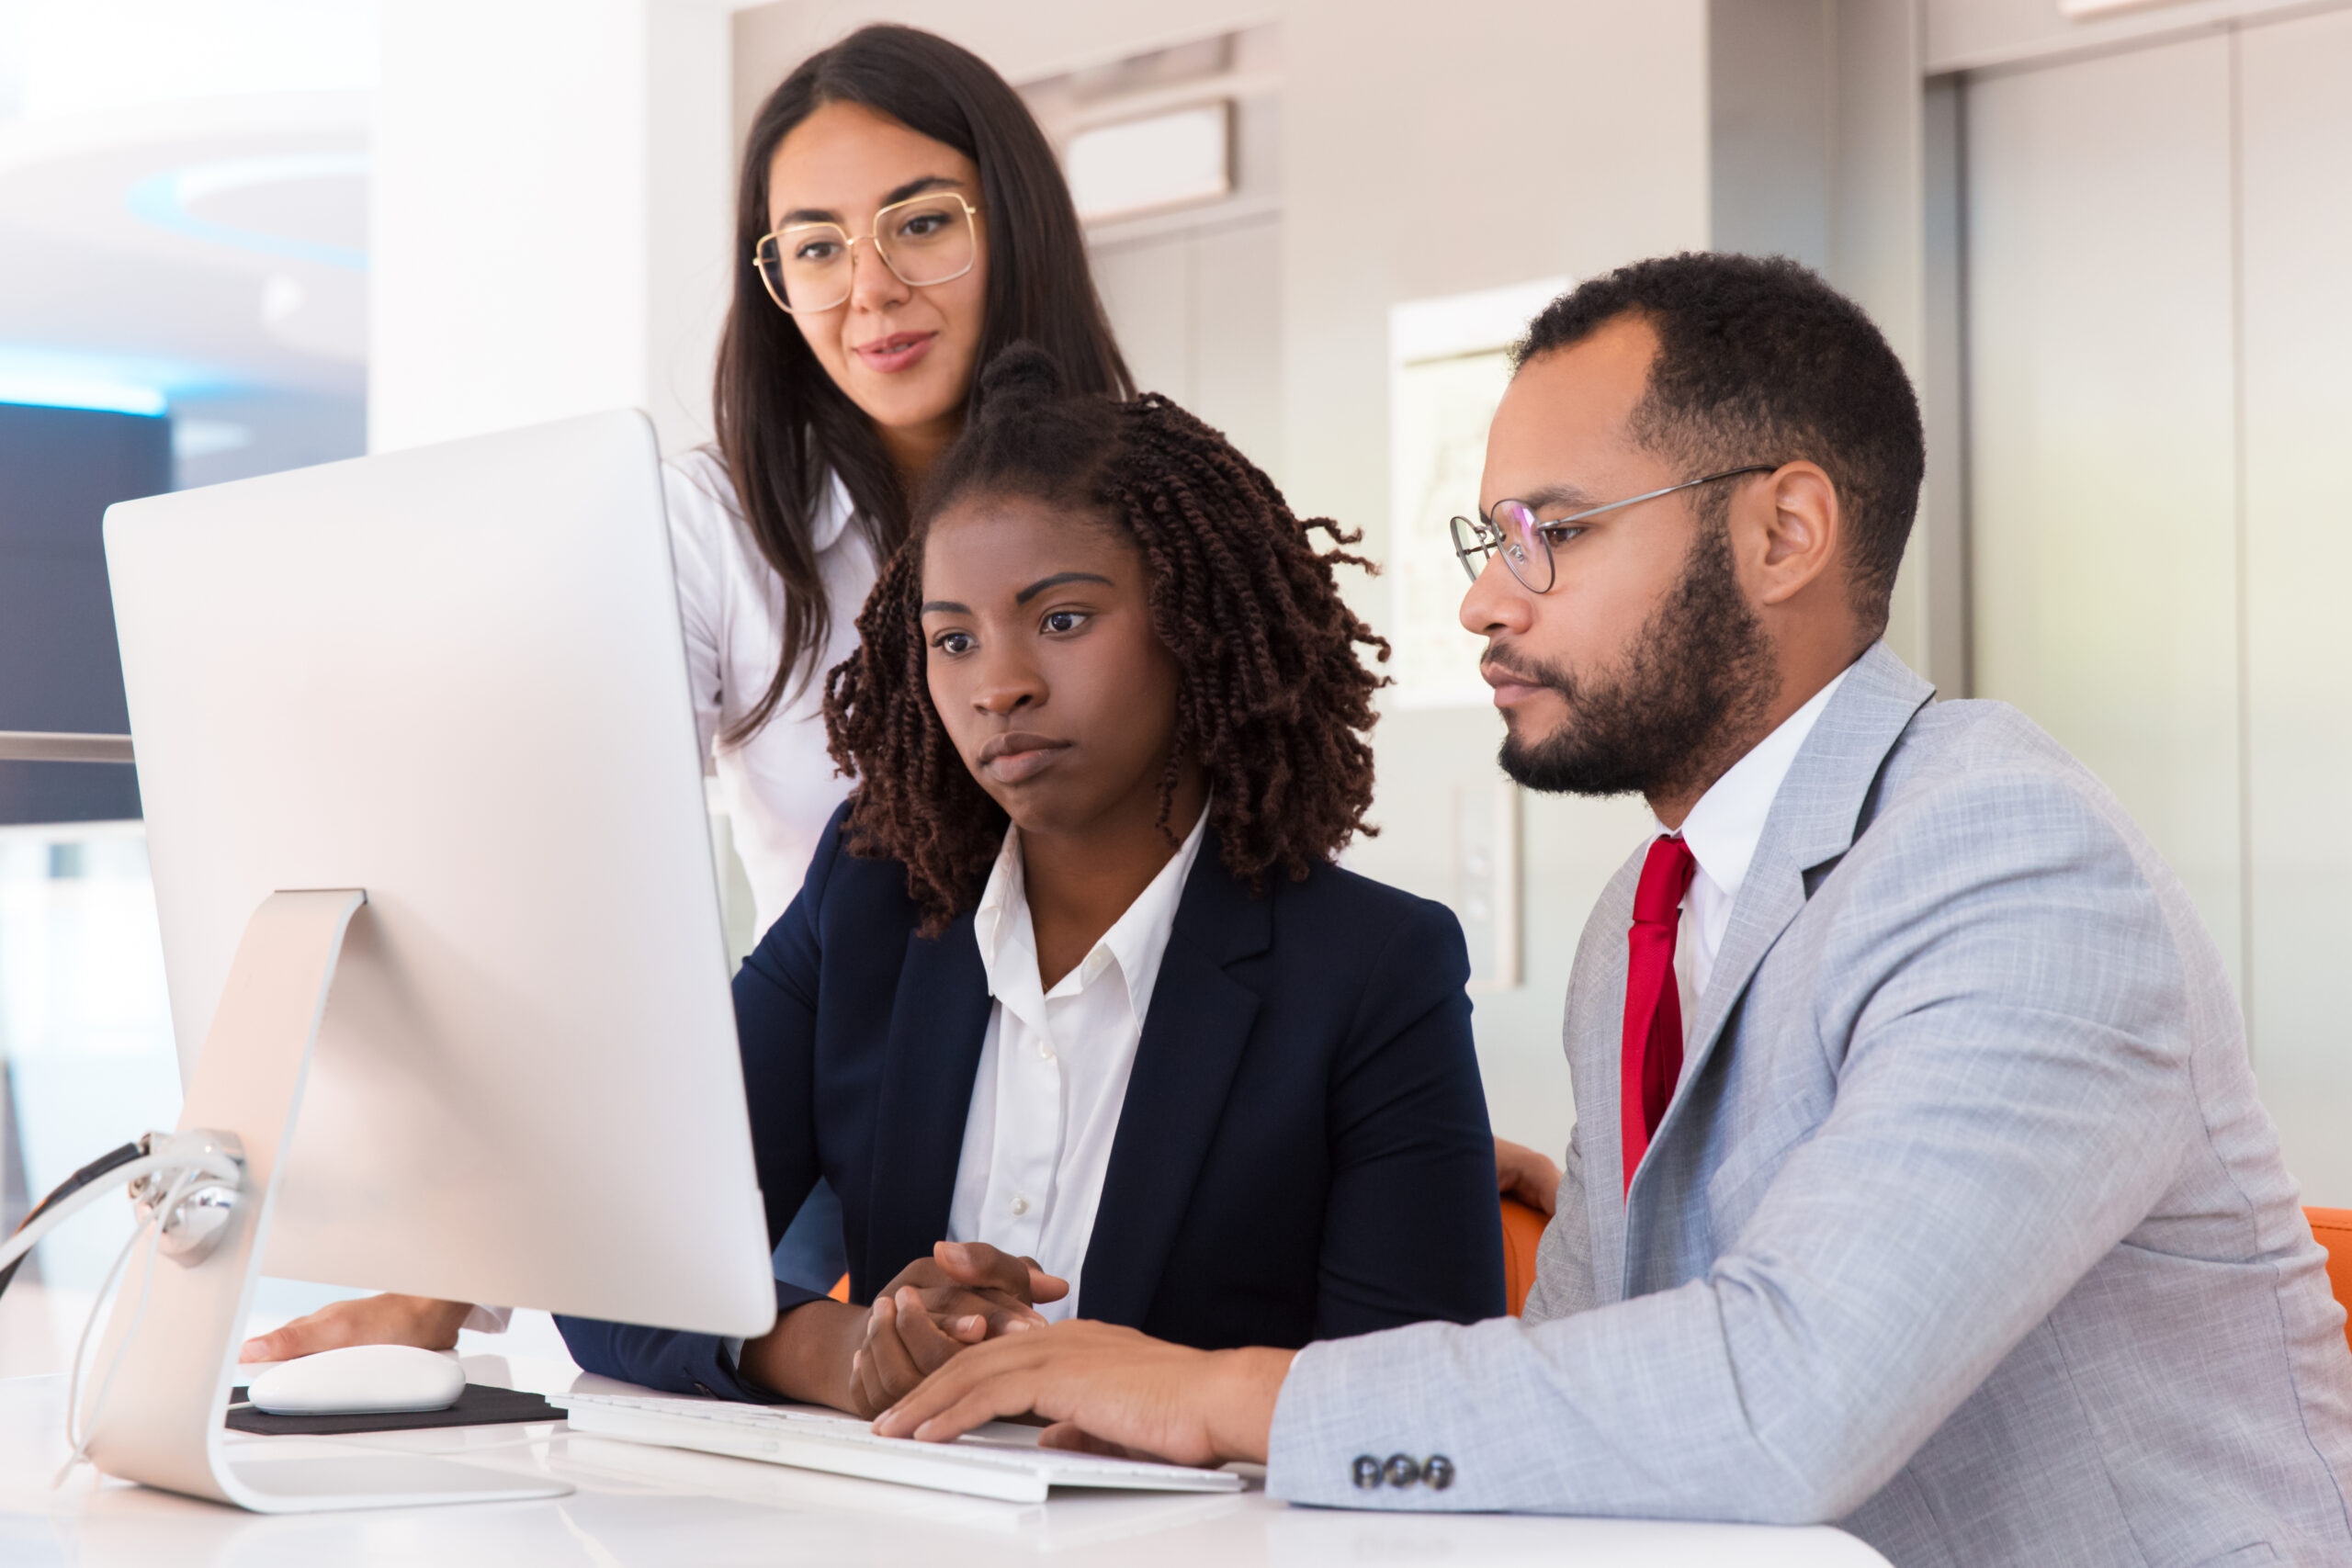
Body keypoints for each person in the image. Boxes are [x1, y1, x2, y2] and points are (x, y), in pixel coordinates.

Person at [872, 254, 2352, 1563]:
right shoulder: (1643, 926)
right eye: (1488, 542)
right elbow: (1592, 1412)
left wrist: (1214, 1392)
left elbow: (1789, 1401)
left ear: (1783, 534)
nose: (1486, 605)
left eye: (1554, 533)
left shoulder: (2005, 856)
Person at [554, 344, 1504, 1414]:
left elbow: (1430, 1403)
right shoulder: (868, 905)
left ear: (1194, 628)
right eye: (952, 640)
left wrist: (1130, 1388)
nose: (997, 685)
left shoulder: (1369, 969)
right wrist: (853, 1347)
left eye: (1061, 621)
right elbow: (613, 1263)